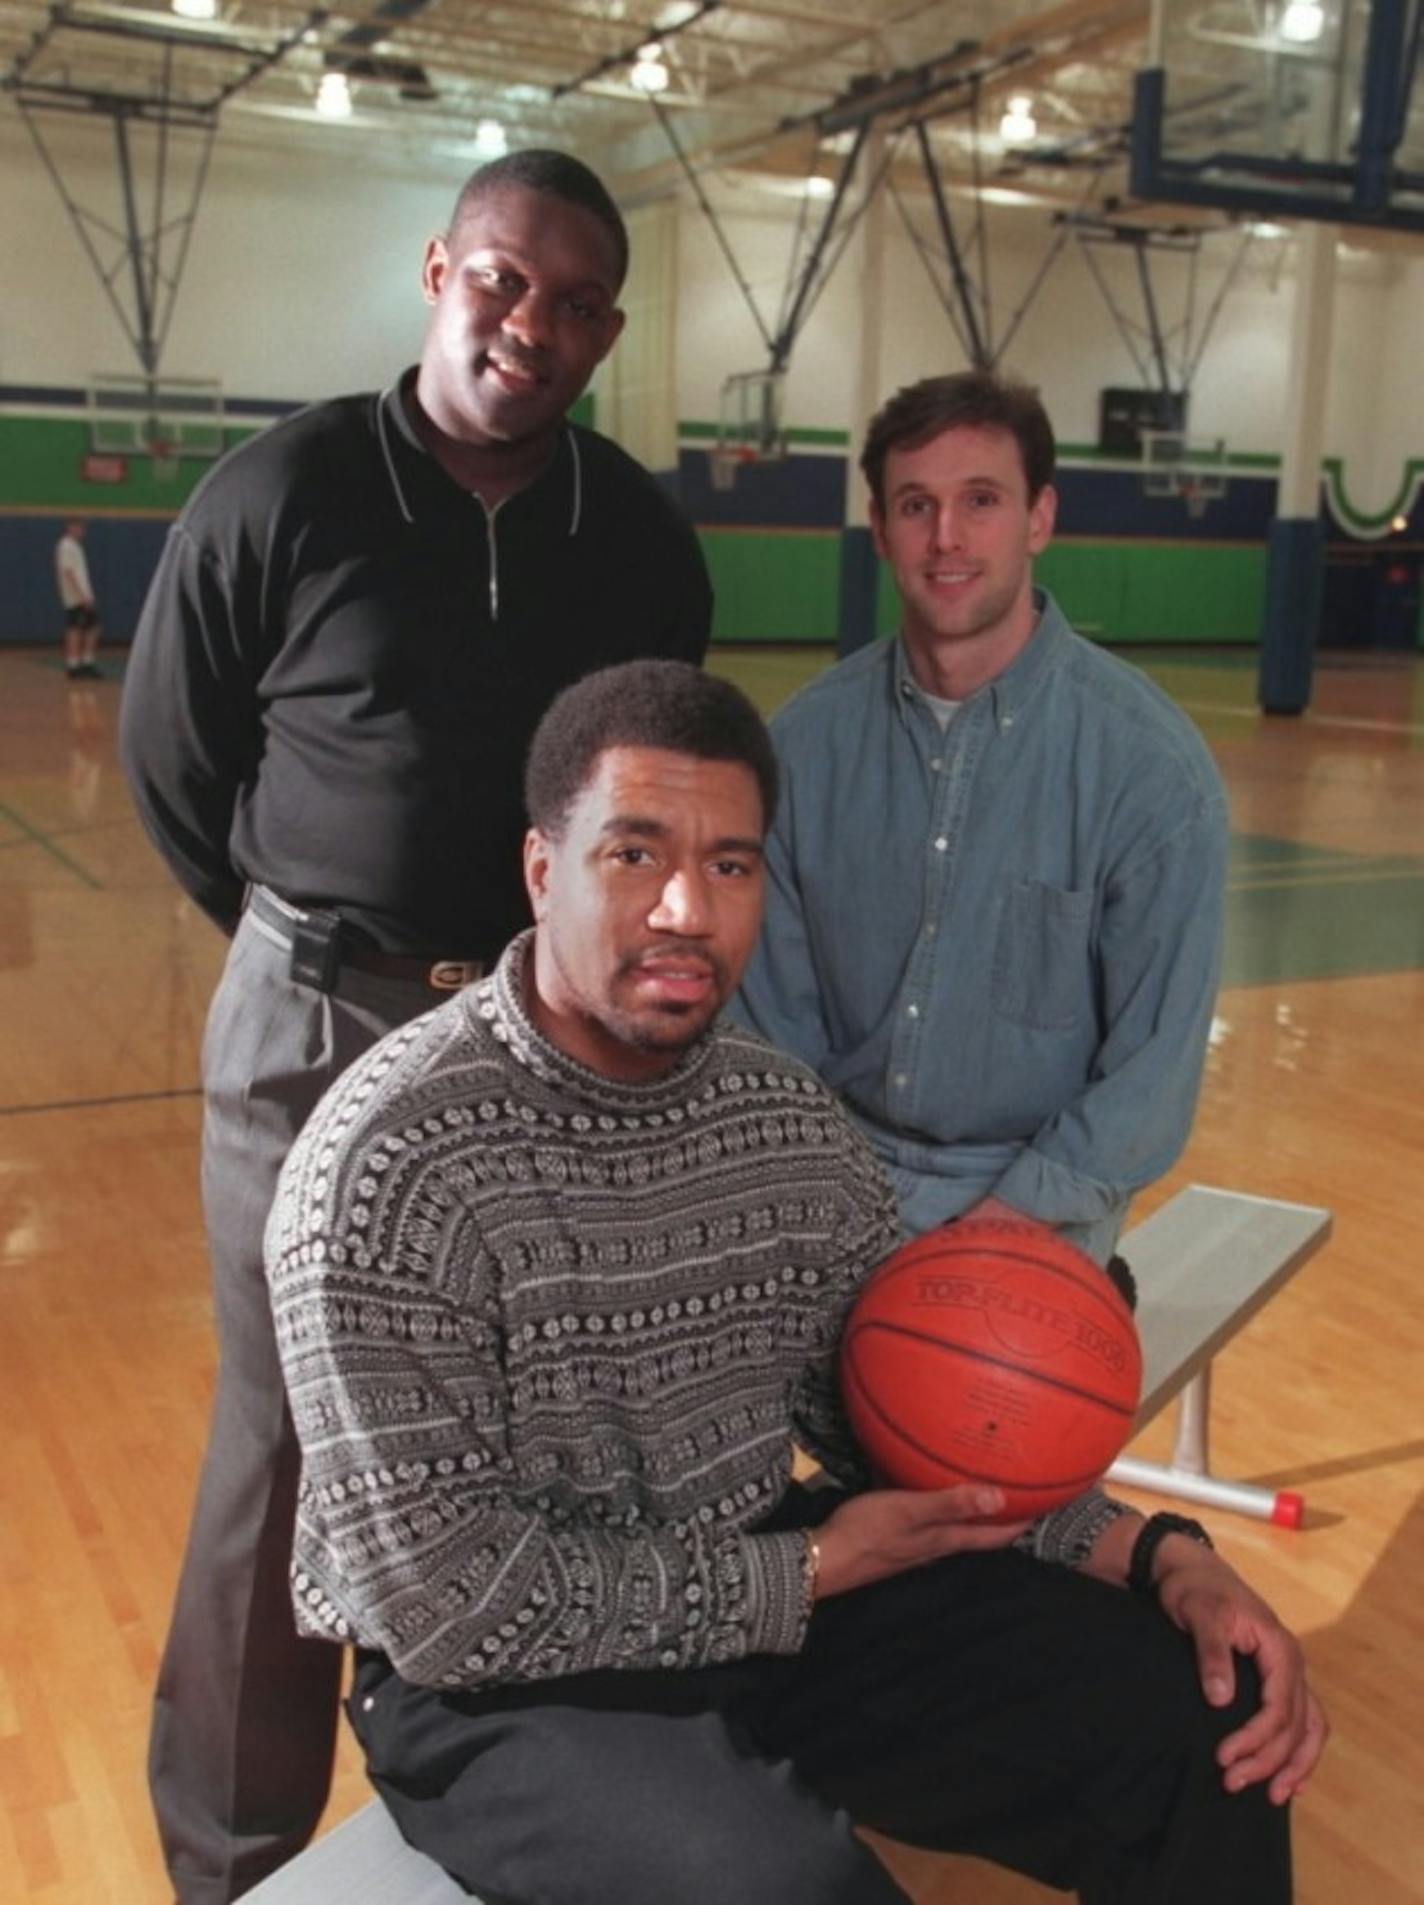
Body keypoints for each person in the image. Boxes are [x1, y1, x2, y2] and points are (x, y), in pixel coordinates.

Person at [266, 658, 1324, 1905]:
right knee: (795, 1891)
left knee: (1207, 1723)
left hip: (763, 1586)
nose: (684, 910)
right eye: (633, 855)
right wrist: (803, 1573)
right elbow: (445, 1606)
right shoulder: (388, 1167)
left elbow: (911, 1444)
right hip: (501, 1685)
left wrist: (1158, 1555)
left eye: (729, 866)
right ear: (542, 868)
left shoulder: (783, 1122)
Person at [119, 149, 712, 1903]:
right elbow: (175, 767)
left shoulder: (640, 536)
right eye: (505, 281)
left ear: (607, 333)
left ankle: (490, 1817)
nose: (533, 325)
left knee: (525, 1443)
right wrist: (319, 951)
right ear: (441, 268)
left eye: (578, 303)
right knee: (290, 1445)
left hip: (541, 1052)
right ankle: (228, 1865)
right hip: (314, 1026)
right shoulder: (282, 489)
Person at [737, 369, 1228, 1267]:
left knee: (962, 1404)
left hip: (1040, 1200)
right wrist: (825, 1199)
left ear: (1040, 517)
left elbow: (1147, 1082)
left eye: (982, 500)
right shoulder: (802, 750)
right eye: (916, 505)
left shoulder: (1151, 773)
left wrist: (981, 1244)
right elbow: (771, 1030)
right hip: (832, 1178)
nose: (947, 537)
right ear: (880, 529)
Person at [55, 518, 102, 678]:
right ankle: (74, 664)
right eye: (79, 528)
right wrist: (82, 596)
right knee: (75, 629)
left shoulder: (75, 546)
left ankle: (85, 661)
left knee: (90, 627)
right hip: (76, 597)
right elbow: (68, 572)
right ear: (70, 528)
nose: (82, 531)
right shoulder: (66, 546)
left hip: (82, 595)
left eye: (83, 528)